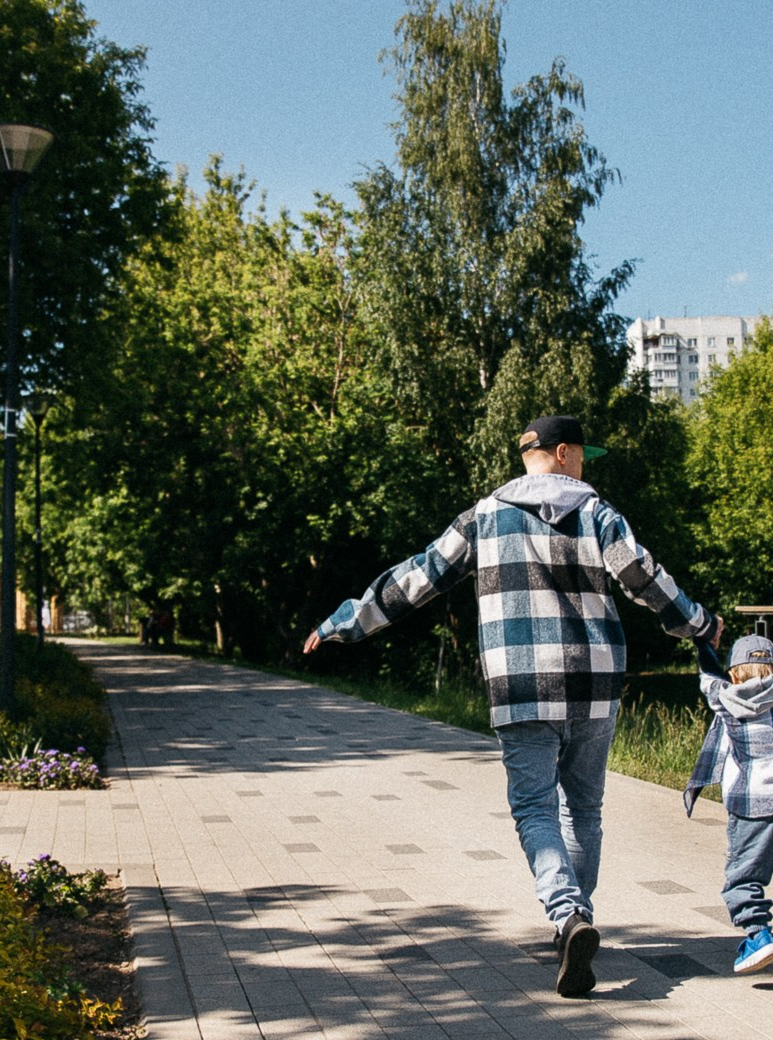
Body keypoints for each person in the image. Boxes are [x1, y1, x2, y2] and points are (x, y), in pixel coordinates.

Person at [304, 415, 722, 998]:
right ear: (563, 452)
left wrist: (346, 621)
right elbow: (646, 579)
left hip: (522, 685)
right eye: (582, 456)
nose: (584, 466)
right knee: (586, 809)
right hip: (594, 685)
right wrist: (701, 625)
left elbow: (419, 576)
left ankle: (566, 914)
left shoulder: (484, 515)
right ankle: (575, 918)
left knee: (534, 809)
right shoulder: (599, 514)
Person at [684, 627, 773, 992]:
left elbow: (707, 677)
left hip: (751, 804)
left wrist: (705, 641)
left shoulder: (725, 698)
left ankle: (758, 934)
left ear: (734, 673)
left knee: (744, 875)